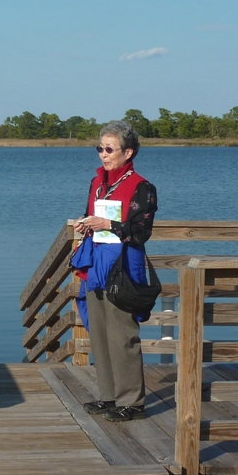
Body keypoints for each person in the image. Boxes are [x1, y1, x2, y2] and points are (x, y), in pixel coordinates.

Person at [71, 121, 157, 422]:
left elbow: (141, 231)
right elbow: (90, 212)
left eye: (109, 149)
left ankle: (132, 402)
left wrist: (108, 225)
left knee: (123, 335)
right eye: (100, 148)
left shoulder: (142, 187)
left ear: (128, 151)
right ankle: (108, 396)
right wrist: (86, 223)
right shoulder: (97, 183)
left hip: (123, 266)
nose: (103, 155)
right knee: (100, 334)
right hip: (96, 263)